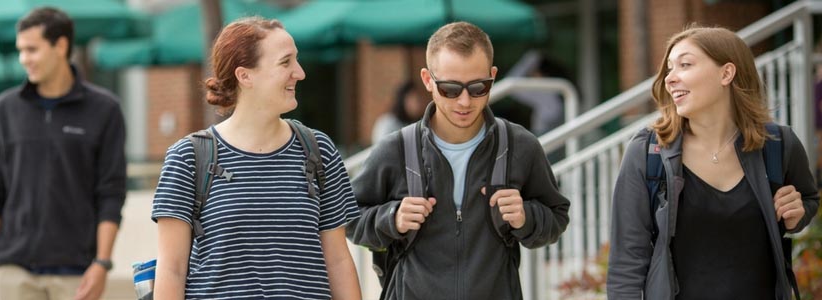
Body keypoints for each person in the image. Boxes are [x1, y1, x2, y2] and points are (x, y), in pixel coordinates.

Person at [346, 21, 570, 299]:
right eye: (450, 89)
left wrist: (526, 217)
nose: (465, 101)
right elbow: (349, 218)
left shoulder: (520, 145)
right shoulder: (396, 149)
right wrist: (392, 218)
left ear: (493, 76)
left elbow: (557, 217)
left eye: (478, 87)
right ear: (428, 80)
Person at [151, 16, 362, 300]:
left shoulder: (318, 150)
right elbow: (172, 270)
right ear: (245, 76)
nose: (299, 72)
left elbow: (338, 260)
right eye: (285, 62)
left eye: (296, 61)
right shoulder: (188, 158)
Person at [607, 26, 819, 299]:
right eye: (669, 69)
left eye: (685, 64)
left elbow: (808, 200)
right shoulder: (647, 152)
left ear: (726, 73)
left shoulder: (778, 144)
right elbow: (627, 262)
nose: (670, 79)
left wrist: (797, 215)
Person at [0, 7, 127, 300]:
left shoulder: (104, 110)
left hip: (77, 273)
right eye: (21, 50)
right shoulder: (5, 110)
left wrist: (102, 263)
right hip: (14, 271)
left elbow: (111, 192)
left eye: (32, 49)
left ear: (60, 46)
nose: (24, 59)